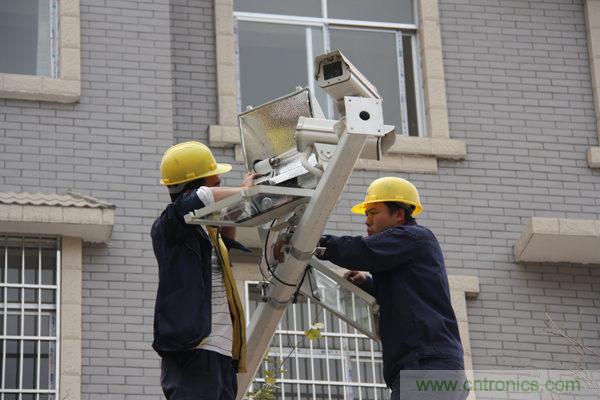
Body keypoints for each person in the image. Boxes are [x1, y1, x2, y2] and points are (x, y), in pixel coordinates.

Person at [315, 176, 468, 400]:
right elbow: (406, 294)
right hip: (427, 367)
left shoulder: (413, 237)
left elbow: (363, 251)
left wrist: (316, 242)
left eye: (373, 213)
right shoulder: (404, 252)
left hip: (427, 366)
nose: (367, 221)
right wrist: (366, 283)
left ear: (399, 214)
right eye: (366, 214)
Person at [151, 141, 257, 400]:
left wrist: (238, 201)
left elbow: (227, 230)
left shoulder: (206, 230)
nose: (221, 187)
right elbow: (199, 199)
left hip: (221, 353)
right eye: (216, 183)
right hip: (194, 350)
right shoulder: (170, 224)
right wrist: (245, 192)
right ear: (193, 186)